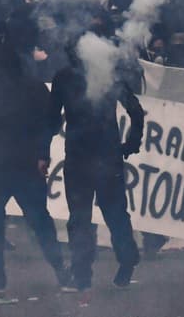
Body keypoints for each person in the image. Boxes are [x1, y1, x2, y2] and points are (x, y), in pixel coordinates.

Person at [0, 44, 69, 295]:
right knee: (40, 221)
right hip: (25, 167)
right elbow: (52, 122)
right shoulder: (35, 88)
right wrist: (42, 154)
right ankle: (62, 272)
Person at [48, 33, 143, 293]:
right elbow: (135, 110)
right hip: (102, 156)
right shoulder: (106, 74)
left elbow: (51, 120)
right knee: (112, 213)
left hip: (82, 157)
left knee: (82, 217)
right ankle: (122, 260)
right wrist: (131, 143)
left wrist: (42, 148)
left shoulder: (65, 78)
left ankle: (83, 273)